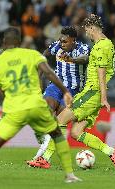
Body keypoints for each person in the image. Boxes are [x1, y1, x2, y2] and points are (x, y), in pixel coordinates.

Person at [0, 27, 82, 183]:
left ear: (4, 41)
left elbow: (0, 90)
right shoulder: (31, 54)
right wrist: (65, 91)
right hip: (36, 105)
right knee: (57, 134)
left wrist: (7, 107)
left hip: (14, 108)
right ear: (19, 41)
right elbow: (48, 72)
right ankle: (69, 175)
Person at [55, 14, 115, 171]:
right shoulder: (105, 44)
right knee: (76, 132)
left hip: (92, 93)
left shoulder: (102, 46)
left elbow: (101, 73)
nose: (87, 34)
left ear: (92, 28)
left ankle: (46, 159)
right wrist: (71, 60)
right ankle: (112, 152)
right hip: (92, 94)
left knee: (59, 121)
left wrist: (103, 98)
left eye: (87, 30)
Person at [27, 26, 90, 169]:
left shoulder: (82, 48)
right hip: (55, 85)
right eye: (61, 40)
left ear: (73, 40)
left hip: (72, 90)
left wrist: (72, 59)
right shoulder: (57, 45)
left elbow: (84, 59)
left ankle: (42, 155)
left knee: (58, 122)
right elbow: (44, 54)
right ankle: (43, 147)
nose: (62, 43)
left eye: (65, 41)